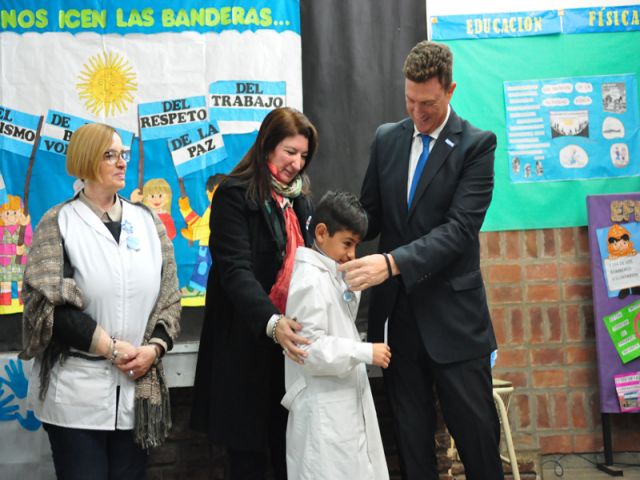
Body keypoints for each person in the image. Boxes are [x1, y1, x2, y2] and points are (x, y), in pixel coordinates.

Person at [340, 41, 504, 480]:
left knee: (478, 446)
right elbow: (369, 215)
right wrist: (326, 226)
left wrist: (390, 263)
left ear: (450, 90)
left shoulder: (476, 146)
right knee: (412, 451)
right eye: (409, 101)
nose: (417, 112)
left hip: (455, 323)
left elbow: (458, 231)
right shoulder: (387, 138)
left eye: (428, 103)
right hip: (398, 324)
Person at [19, 122, 182, 479]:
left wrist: (153, 349)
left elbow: (169, 298)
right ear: (85, 161)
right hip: (77, 395)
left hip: (137, 392)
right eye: (110, 155)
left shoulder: (148, 222)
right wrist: (112, 348)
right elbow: (49, 308)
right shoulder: (58, 222)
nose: (122, 162)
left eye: (123, 154)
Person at [190, 107, 318, 480]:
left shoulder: (300, 202)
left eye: (304, 156)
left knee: (288, 459)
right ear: (267, 147)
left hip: (289, 353)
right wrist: (272, 322)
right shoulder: (234, 195)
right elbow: (235, 270)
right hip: (245, 348)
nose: (297, 163)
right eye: (290, 152)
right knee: (247, 463)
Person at [282, 190, 391, 480]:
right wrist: (364, 352)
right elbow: (310, 349)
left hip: (339, 409)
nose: (352, 254)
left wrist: (351, 287)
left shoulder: (329, 274)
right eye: (347, 243)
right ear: (321, 233)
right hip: (322, 413)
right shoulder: (309, 280)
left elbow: (336, 323)